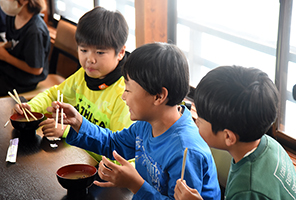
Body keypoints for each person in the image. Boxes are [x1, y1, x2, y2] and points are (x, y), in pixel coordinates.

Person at [46, 42, 221, 199]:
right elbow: (113, 143)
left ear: (159, 96)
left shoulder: (185, 151)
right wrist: (78, 122)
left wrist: (135, 184)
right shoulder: (147, 123)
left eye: (128, 90)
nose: (123, 96)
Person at [14, 6, 133, 162]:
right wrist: (32, 107)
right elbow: (52, 94)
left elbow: (117, 149)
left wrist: (67, 131)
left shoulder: (124, 94)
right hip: (76, 154)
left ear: (121, 53)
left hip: (98, 167)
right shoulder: (83, 76)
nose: (90, 59)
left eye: (100, 52)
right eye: (83, 50)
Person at [174, 65, 296, 200]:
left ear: (228, 136)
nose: (196, 122)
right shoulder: (269, 144)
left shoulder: (246, 190)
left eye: (201, 119)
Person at [0, 0, 50, 96]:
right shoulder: (12, 16)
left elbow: (36, 69)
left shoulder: (35, 31)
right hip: (10, 70)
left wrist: (6, 57)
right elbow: (15, 42)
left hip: (24, 80)